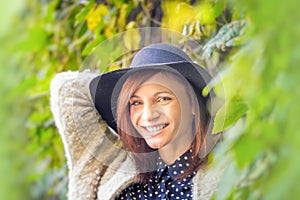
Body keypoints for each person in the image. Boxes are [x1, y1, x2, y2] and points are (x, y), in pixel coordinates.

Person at [50, 43, 223, 200]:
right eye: (137, 102)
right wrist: (120, 83)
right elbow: (66, 86)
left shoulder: (221, 176)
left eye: (163, 99)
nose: (148, 116)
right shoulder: (119, 164)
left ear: (193, 104)